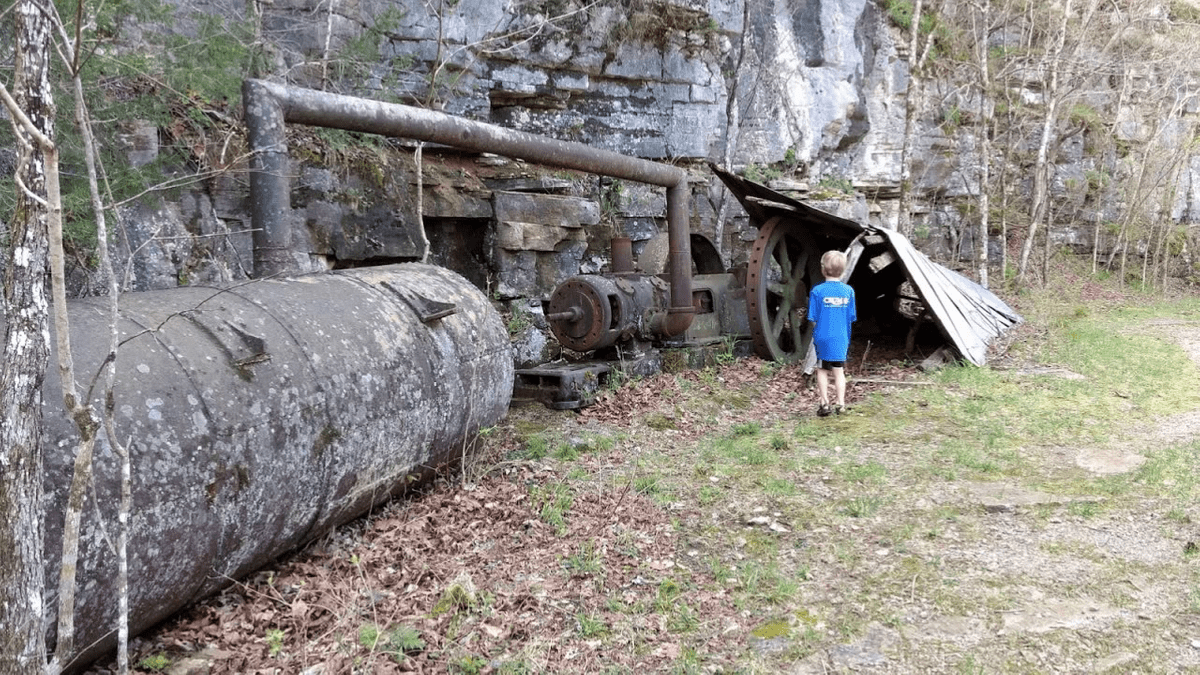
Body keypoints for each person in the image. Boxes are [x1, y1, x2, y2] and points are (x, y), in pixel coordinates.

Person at [807, 250, 857, 417]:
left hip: (822, 336)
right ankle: (841, 404)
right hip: (841, 337)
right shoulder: (848, 291)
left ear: (823, 270)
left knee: (822, 370)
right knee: (839, 371)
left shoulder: (817, 291)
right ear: (842, 270)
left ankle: (824, 403)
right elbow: (851, 316)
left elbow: (812, 317)